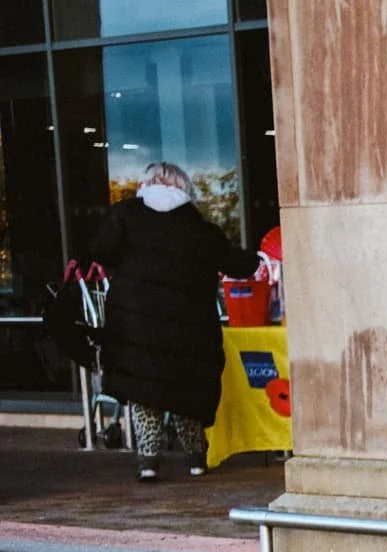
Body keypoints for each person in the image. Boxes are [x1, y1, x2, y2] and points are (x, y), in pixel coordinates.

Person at [87, 162, 260, 481]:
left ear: (146, 184)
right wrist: (258, 259)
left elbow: (102, 251)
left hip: (136, 325)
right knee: (188, 390)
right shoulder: (197, 226)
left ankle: (148, 461)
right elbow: (234, 262)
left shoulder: (125, 215)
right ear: (183, 188)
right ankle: (196, 457)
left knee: (144, 392)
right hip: (189, 325)